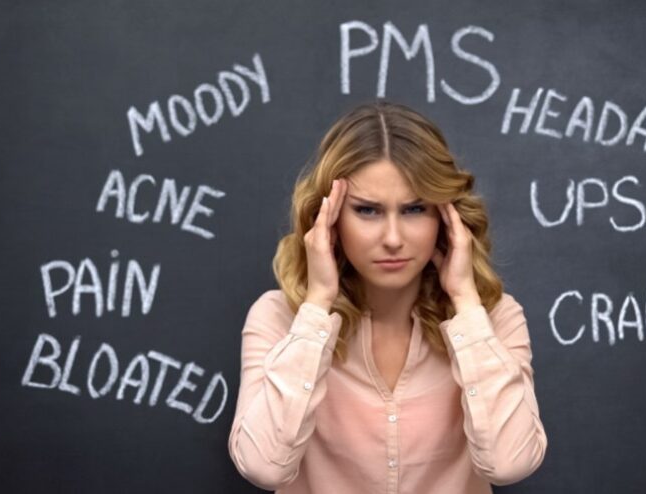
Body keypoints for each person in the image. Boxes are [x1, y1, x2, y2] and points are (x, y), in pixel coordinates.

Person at [227, 100, 547, 493]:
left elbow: (509, 464)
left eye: (414, 209)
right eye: (368, 211)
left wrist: (465, 301)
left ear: (446, 219)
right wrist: (318, 303)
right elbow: (264, 468)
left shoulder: (496, 319)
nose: (393, 239)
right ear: (329, 218)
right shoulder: (277, 318)